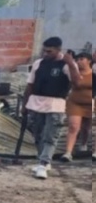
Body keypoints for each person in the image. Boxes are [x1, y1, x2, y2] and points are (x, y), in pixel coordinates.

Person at [22, 37, 81, 179]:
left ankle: (43, 163)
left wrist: (71, 64)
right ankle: (44, 160)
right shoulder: (38, 63)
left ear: (58, 50)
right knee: (38, 135)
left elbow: (77, 83)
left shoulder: (67, 65)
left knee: (50, 135)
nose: (45, 54)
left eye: (49, 51)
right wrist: (25, 104)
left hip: (55, 104)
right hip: (36, 103)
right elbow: (30, 85)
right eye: (44, 51)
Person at [59, 52, 92, 162]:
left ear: (89, 61)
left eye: (82, 59)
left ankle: (83, 143)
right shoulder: (73, 72)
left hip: (90, 103)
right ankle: (68, 152)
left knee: (86, 127)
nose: (79, 62)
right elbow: (73, 83)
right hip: (75, 102)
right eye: (77, 59)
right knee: (73, 126)